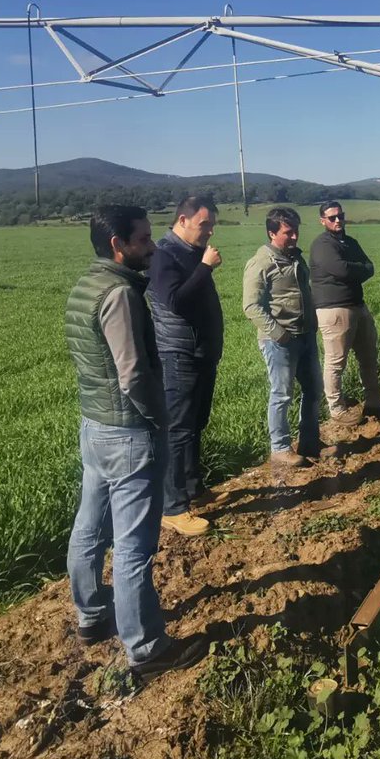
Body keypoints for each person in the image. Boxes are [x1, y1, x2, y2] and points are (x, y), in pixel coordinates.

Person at [64, 205, 207, 678]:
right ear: (116, 245)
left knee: (89, 526)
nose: (151, 247)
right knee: (133, 546)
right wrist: (159, 421)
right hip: (128, 432)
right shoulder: (120, 295)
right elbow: (132, 374)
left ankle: (90, 616)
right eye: (143, 240)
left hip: (95, 427)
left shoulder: (85, 286)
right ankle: (146, 648)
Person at [148, 194, 224, 536]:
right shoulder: (164, 254)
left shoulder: (190, 252)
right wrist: (205, 267)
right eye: (203, 224)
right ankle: (173, 506)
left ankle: (194, 487)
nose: (209, 231)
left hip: (201, 352)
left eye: (211, 225)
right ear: (182, 220)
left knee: (196, 422)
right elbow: (175, 300)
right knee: (178, 429)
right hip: (178, 354)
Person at [243, 206, 323, 469]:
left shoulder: (295, 258)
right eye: (288, 232)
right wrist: (279, 335)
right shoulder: (262, 263)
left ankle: (310, 442)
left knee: (314, 390)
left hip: (306, 336)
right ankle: (280, 448)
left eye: (296, 231)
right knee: (282, 395)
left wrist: (312, 324)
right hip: (280, 341)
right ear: (271, 233)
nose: (294, 237)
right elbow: (251, 306)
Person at [310, 200, 380, 424]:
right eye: (332, 217)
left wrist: (355, 269)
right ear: (322, 221)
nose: (337, 220)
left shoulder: (349, 241)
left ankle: (374, 404)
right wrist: (356, 269)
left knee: (368, 356)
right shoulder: (322, 245)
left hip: (357, 305)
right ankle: (337, 410)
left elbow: (369, 267)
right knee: (336, 361)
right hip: (335, 310)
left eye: (340, 216)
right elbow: (341, 269)